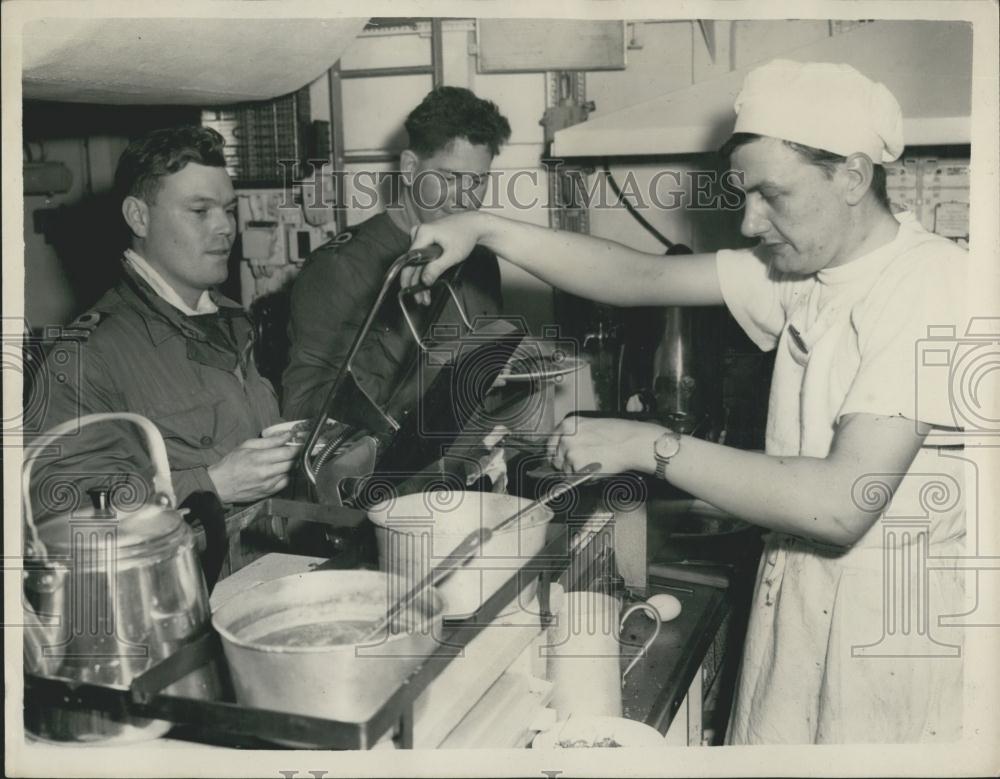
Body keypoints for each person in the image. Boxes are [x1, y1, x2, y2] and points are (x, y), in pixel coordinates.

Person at [402, 60, 968, 744]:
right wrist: (487, 227)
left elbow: (845, 500)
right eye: (742, 192)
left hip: (890, 642)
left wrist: (648, 445)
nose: (752, 221)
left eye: (772, 194)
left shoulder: (930, 281)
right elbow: (642, 275)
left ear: (851, 175)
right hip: (798, 617)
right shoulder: (807, 274)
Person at [30, 126, 296, 520]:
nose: (225, 227)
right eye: (200, 211)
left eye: (229, 209)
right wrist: (211, 486)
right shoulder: (88, 356)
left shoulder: (231, 321)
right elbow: (57, 508)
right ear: (138, 217)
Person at [281, 86, 511, 420]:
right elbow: (303, 409)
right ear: (409, 168)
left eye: (478, 180)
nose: (467, 198)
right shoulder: (341, 266)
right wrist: (437, 388)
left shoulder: (480, 259)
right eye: (451, 177)